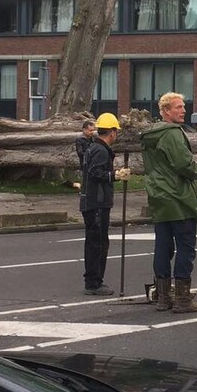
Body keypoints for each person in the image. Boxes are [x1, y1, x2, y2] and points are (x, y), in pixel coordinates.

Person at [140, 92, 197, 313]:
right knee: (186, 247)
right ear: (166, 111)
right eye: (178, 107)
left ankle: (162, 296)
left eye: (183, 106)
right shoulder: (172, 134)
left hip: (159, 197)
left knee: (162, 247)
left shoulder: (151, 135)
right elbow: (183, 164)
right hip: (179, 198)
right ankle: (182, 299)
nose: (184, 110)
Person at [79, 113, 127, 296]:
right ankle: (94, 282)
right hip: (97, 203)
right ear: (113, 132)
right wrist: (114, 175)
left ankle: (93, 280)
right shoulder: (100, 150)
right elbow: (95, 172)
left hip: (91, 202)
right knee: (98, 243)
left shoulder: (93, 147)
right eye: (116, 132)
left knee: (94, 242)